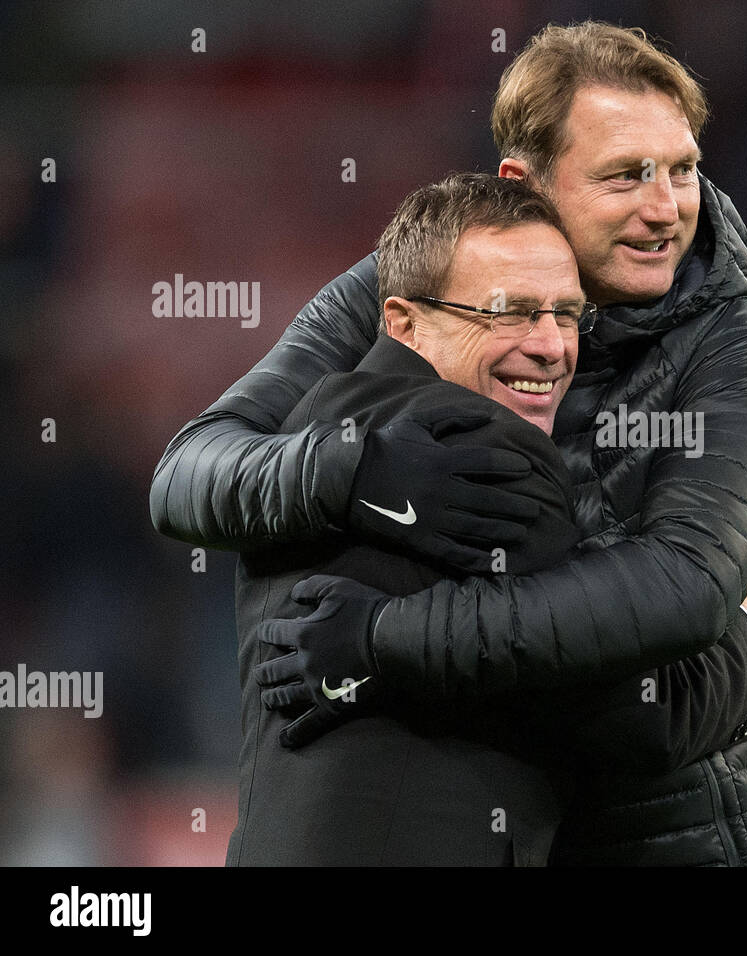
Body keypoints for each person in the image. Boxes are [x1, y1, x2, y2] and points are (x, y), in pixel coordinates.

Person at [152, 21, 747, 866]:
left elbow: (677, 593)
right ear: (523, 183)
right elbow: (189, 472)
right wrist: (356, 471)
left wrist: (385, 641)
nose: (666, 207)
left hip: (681, 829)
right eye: (624, 176)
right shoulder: (422, 280)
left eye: (682, 170)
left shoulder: (738, 356)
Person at [230, 173, 588, 864]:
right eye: (510, 311)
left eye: (567, 314)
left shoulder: (302, 433)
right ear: (403, 322)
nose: (552, 346)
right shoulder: (489, 447)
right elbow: (634, 711)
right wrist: (739, 624)